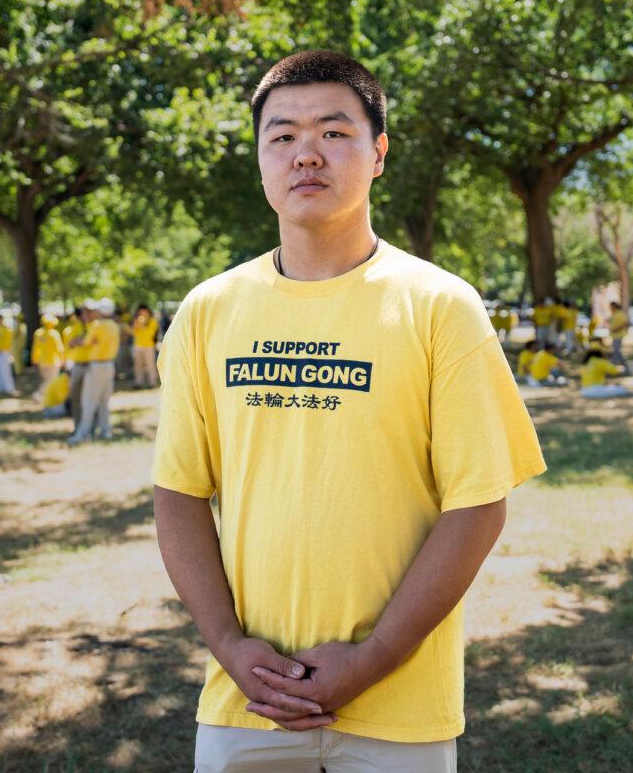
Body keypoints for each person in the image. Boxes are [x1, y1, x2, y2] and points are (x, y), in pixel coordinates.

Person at [152, 50, 545, 772]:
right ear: (260, 159)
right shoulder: (208, 312)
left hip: (400, 706)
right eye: (282, 136)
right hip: (249, 704)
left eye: (334, 132)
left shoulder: (440, 307)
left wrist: (376, 656)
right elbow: (178, 495)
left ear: (379, 153)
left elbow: (479, 504)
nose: (306, 153)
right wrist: (230, 648)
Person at [69, 298, 119, 444]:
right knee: (104, 400)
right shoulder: (114, 326)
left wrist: (77, 342)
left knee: (88, 400)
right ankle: (105, 430)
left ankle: (83, 434)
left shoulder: (97, 325)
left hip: (96, 366)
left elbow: (85, 342)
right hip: (110, 365)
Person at [63, 308, 90, 431]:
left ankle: (89, 426)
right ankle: (78, 425)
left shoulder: (94, 326)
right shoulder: (76, 327)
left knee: (89, 398)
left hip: (91, 365)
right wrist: (83, 342)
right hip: (78, 365)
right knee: (75, 396)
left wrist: (82, 342)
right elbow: (71, 343)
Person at [30, 314, 65, 402]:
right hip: (53, 361)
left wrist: (34, 359)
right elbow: (59, 348)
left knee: (47, 380)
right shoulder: (54, 334)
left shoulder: (38, 333)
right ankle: (39, 394)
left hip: (42, 361)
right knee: (51, 381)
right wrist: (63, 359)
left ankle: (47, 397)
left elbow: (35, 348)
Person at [131, 303, 161, 388]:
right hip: (138, 345)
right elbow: (134, 331)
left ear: (147, 311)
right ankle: (138, 383)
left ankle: (152, 382)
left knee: (150, 365)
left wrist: (144, 324)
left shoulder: (152, 321)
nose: (142, 312)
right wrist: (138, 323)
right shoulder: (137, 320)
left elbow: (151, 333)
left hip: (149, 345)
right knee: (138, 365)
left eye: (144, 311)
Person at [607, 301, 629, 368]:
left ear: (614, 306)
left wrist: (617, 329)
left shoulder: (620, 313)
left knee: (616, 350)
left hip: (619, 334)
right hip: (614, 335)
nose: (610, 308)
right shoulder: (614, 313)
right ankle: (618, 363)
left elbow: (625, 323)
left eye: (611, 306)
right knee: (616, 350)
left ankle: (617, 362)